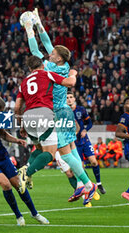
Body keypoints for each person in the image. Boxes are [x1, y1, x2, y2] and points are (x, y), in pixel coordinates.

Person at [21, 9, 97, 205]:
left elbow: (35, 51)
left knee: (63, 151)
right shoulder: (62, 64)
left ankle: (88, 185)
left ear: (58, 59)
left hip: (57, 112)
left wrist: (30, 30)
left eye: (53, 53)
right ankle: (83, 185)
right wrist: (39, 24)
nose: (50, 52)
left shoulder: (52, 68)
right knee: (68, 152)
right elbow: (46, 44)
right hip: (63, 111)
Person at [0, 96, 49, 226]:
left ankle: (35, 213)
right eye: (0, 111)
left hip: (1, 155)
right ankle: (19, 217)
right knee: (6, 184)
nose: (1, 114)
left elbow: (3, 134)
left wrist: (17, 140)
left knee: (18, 184)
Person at [15, 56, 77, 192]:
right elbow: (69, 83)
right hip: (44, 114)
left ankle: (27, 169)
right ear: (42, 66)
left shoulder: (24, 82)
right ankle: (27, 172)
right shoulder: (46, 74)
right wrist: (73, 74)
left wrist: (21, 125)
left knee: (39, 149)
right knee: (50, 154)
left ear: (30, 69)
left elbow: (17, 106)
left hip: (28, 117)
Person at [66, 91, 106, 194]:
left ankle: (99, 183)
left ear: (74, 99)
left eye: (71, 97)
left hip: (84, 140)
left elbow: (89, 122)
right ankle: (87, 187)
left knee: (93, 161)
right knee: (80, 166)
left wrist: (85, 130)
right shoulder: (64, 112)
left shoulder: (81, 109)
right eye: (67, 98)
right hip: (74, 143)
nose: (69, 99)